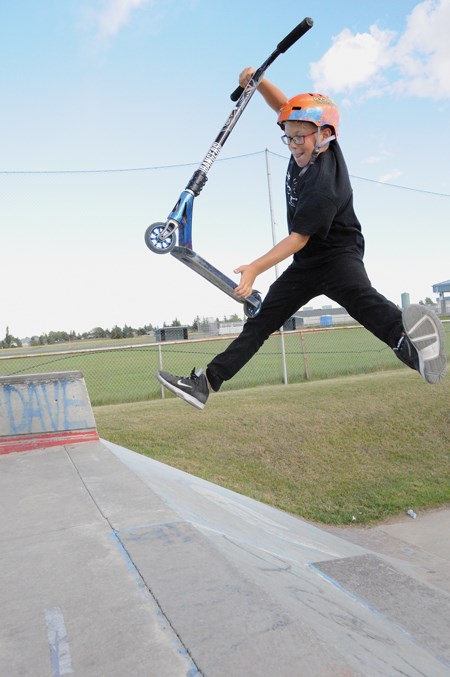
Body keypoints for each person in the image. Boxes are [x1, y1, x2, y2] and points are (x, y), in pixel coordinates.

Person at [156, 69, 447, 410]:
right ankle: (204, 383)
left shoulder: (325, 185)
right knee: (261, 321)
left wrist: (255, 268)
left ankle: (416, 351)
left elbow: (297, 238)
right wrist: (258, 81)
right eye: (289, 137)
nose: (294, 145)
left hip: (338, 256)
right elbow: (284, 106)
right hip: (307, 264)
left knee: (364, 303)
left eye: (300, 138)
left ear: (324, 135)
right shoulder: (306, 139)